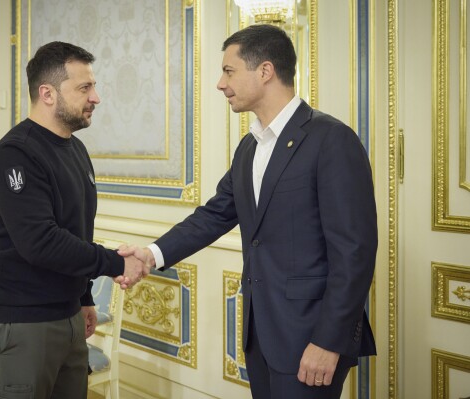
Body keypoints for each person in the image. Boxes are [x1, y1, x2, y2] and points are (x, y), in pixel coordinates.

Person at [118, 24, 377, 399]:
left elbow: (354, 252)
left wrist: (329, 341)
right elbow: (213, 215)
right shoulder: (249, 148)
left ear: (265, 71)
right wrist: (151, 254)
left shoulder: (331, 140)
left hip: (310, 339)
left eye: (228, 71)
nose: (221, 84)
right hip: (261, 336)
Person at [0, 41, 147, 399]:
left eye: (93, 86)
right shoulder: (16, 153)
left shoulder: (75, 148)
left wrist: (83, 296)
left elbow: (75, 232)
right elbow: (41, 242)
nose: (96, 97)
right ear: (48, 94)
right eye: (84, 88)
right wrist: (116, 260)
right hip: (21, 320)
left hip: (68, 315)